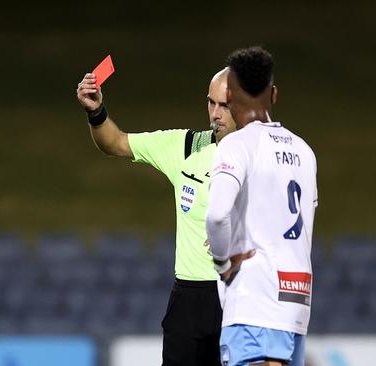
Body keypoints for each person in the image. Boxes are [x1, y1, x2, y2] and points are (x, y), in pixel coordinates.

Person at [76, 68, 236, 366]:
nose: (215, 114)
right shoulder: (187, 146)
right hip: (187, 300)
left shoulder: (264, 158)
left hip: (238, 294)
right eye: (210, 103)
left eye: (224, 105)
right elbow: (117, 143)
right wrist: (96, 112)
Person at [206, 47, 318, 366]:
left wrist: (222, 264)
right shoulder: (304, 152)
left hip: (254, 302)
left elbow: (216, 215)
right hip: (296, 303)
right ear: (274, 94)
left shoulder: (237, 146)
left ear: (230, 95)